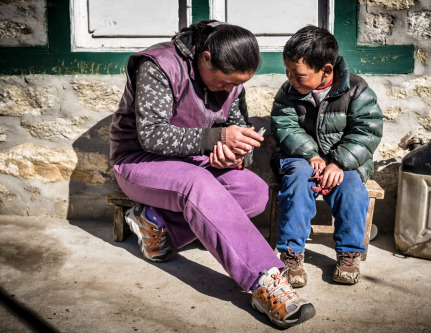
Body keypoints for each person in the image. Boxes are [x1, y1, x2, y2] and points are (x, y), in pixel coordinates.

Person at [109, 20, 315, 328]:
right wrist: (215, 139)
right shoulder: (158, 65)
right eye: (225, 83)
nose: (230, 90)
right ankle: (264, 281)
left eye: (237, 84)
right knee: (199, 183)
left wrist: (235, 155)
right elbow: (151, 136)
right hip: (139, 161)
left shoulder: (232, 81)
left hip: (194, 162)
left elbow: (237, 130)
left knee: (253, 192)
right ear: (205, 58)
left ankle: (156, 222)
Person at [270, 26, 383, 287]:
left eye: (298, 74)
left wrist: (340, 162)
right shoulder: (288, 91)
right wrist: (310, 154)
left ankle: (349, 253)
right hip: (298, 156)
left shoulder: (357, 90)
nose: (290, 78)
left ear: (327, 71)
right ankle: (290, 254)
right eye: (287, 71)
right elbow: (284, 127)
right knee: (298, 180)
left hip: (345, 160)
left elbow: (367, 131)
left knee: (353, 189)